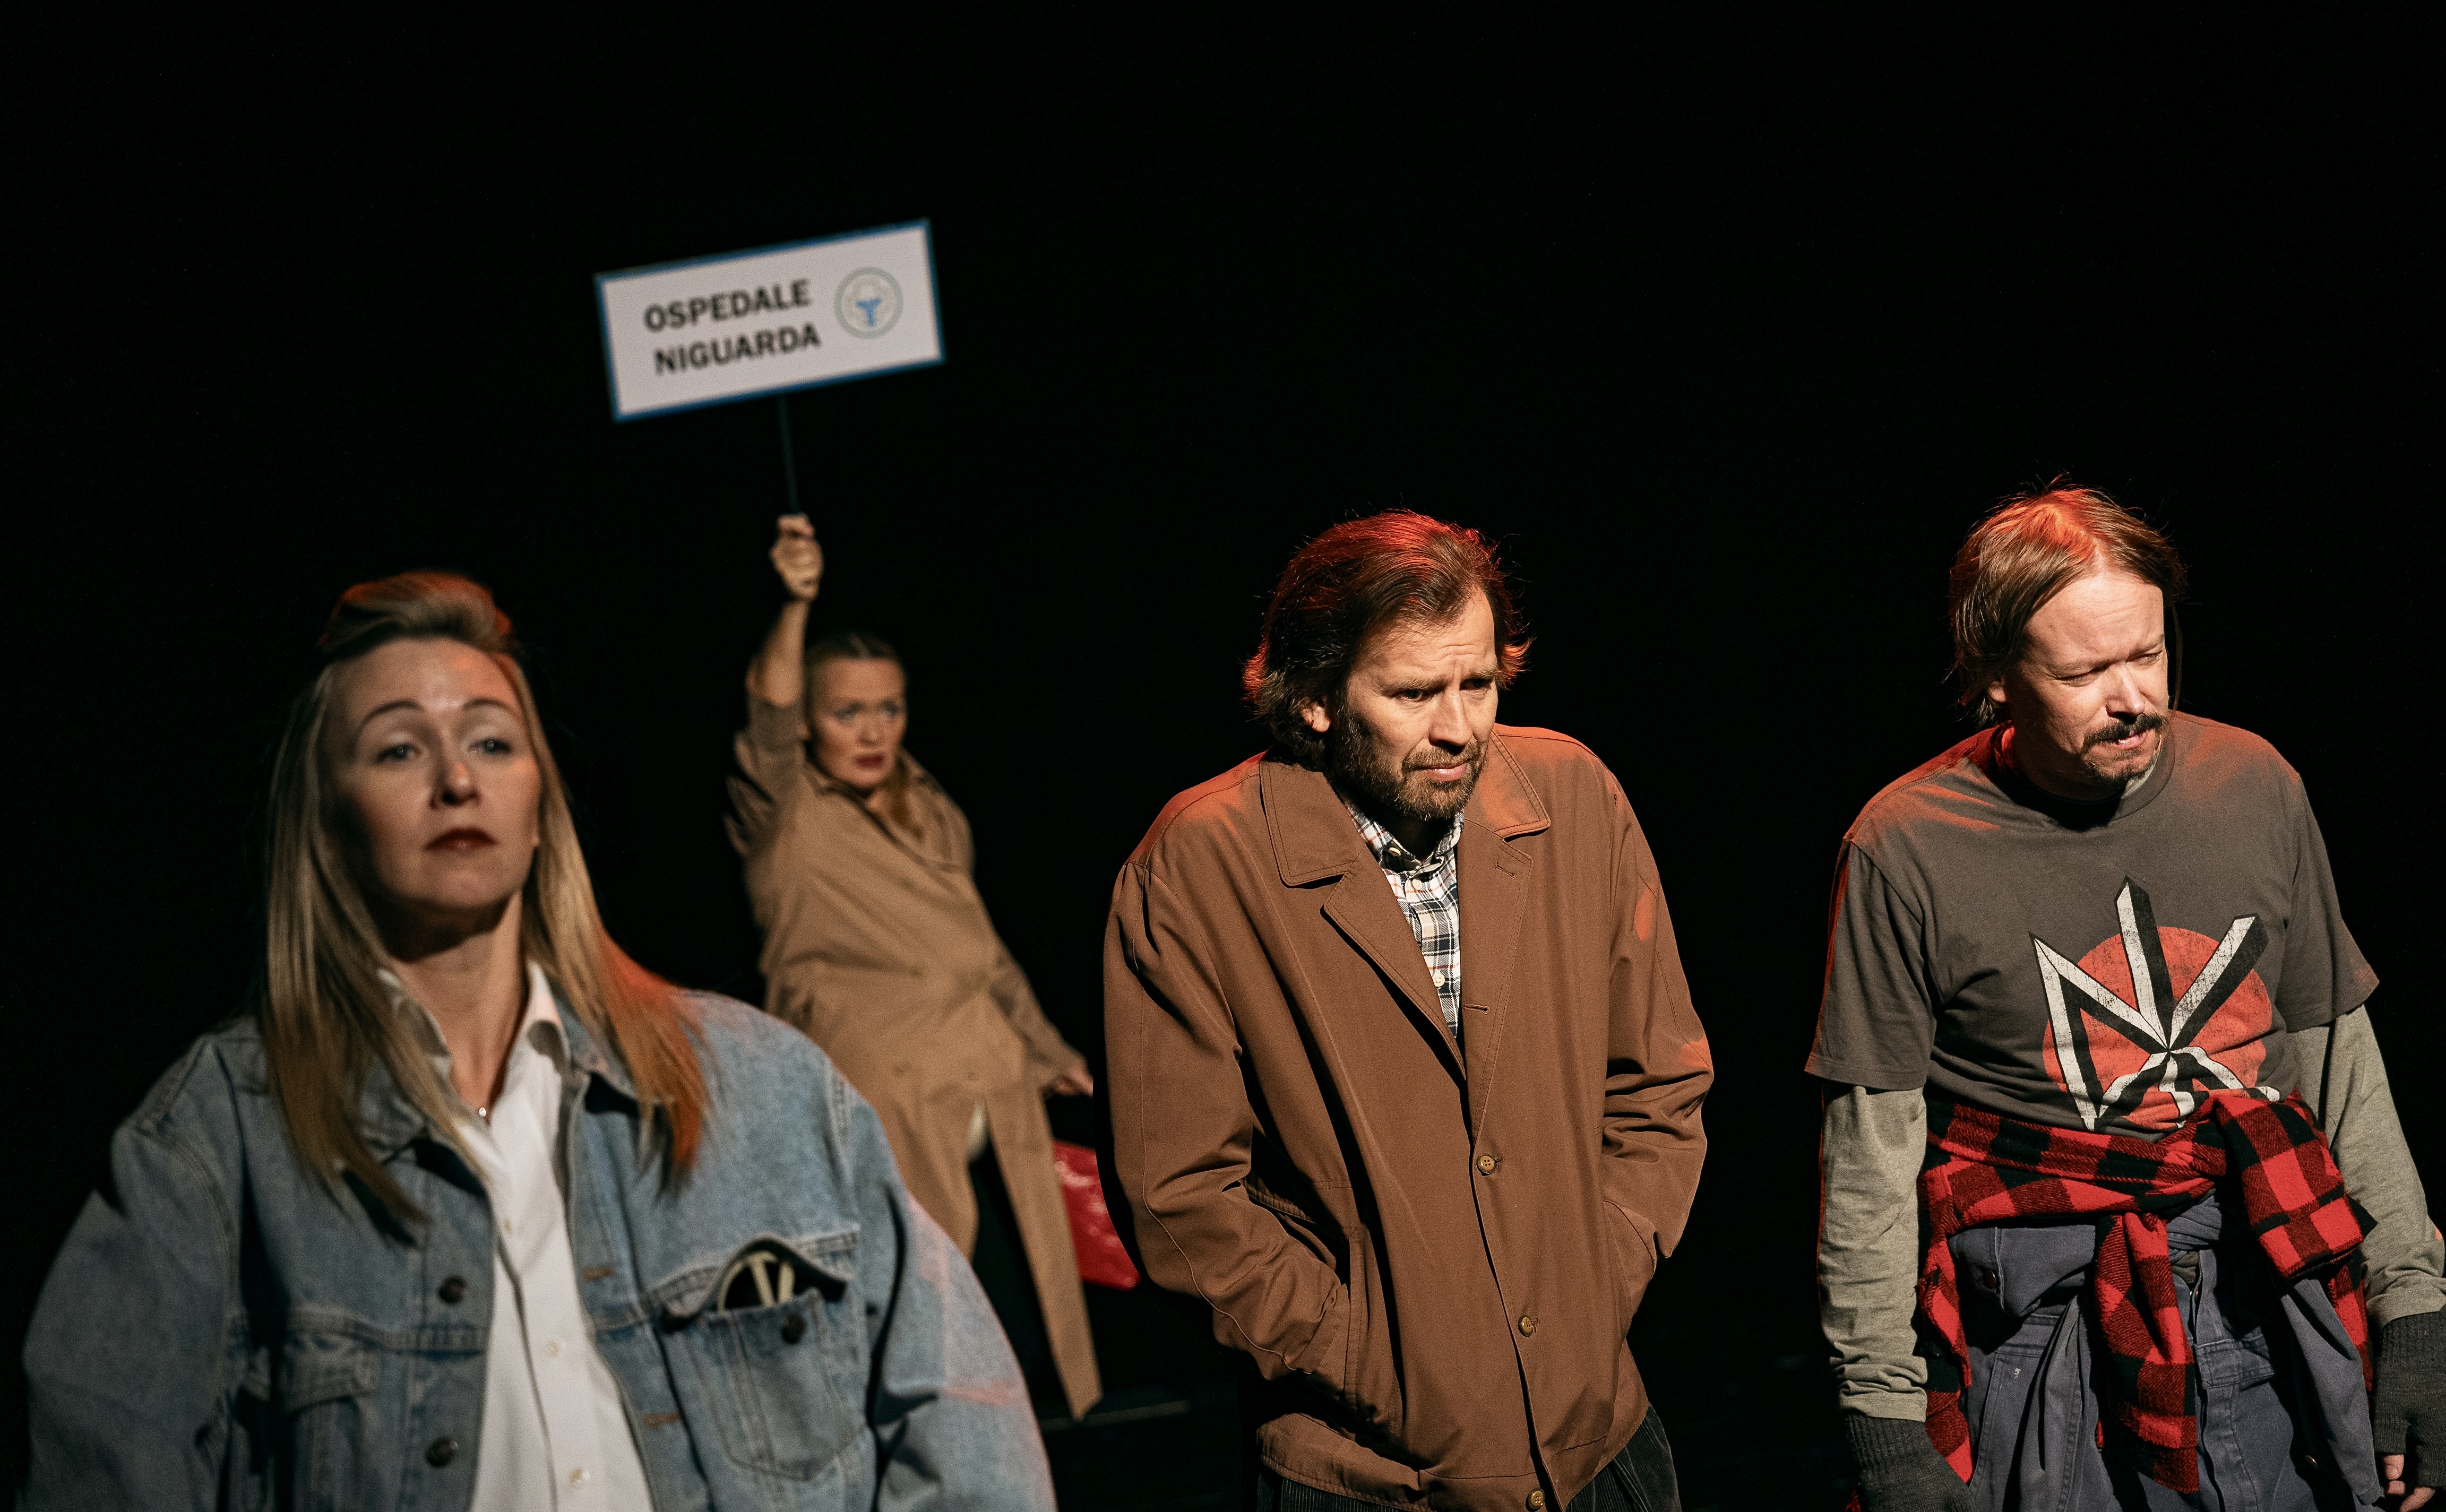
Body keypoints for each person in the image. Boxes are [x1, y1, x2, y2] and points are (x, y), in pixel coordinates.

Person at [22, 572, 1052, 1512]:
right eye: (398, 749)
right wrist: (792, 603)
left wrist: (1042, 1042)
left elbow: (967, 1428)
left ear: (542, 804)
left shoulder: (765, 1087)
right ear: (327, 821)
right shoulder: (219, 1141)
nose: (456, 781)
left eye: (491, 742)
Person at [1811, 487, 2442, 1512]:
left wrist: (2415, 1310)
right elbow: (1870, 1156)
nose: (2133, 698)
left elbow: (2340, 1062)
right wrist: (1882, 1418)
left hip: (2267, 1295)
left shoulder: (2254, 783)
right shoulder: (1906, 846)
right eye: (2083, 673)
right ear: (1995, 676)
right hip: (2043, 1336)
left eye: (2147, 655)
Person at [1104, 512, 1713, 1511]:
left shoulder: (1571, 795)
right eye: (1414, 694)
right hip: (1369, 1476)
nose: (1459, 728)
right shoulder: (1199, 866)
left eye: (1479, 683)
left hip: (1598, 1447)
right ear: (1314, 699)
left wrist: (1596, 1283)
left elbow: (1660, 1082)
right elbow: (1181, 1198)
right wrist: (1364, 1356)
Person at [728, 514, 1102, 1420]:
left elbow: (980, 950)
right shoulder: (785, 814)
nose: (872, 731)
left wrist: (1046, 1048)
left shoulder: (928, 806)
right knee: (926, 1341)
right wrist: (794, 605)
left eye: (888, 709)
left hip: (987, 1087)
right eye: (846, 712)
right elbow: (766, 716)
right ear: (810, 720)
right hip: (886, 1104)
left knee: (1025, 1336)